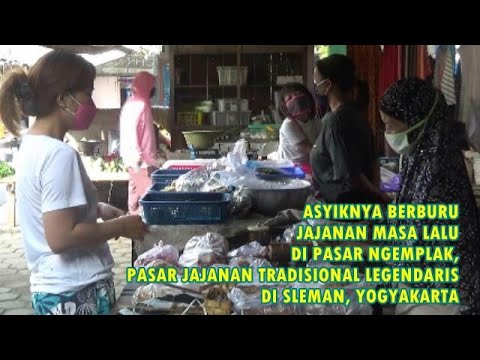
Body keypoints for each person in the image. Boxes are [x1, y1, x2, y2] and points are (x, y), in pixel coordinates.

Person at [0, 50, 148, 315]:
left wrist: (97, 208)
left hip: (55, 290)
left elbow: (50, 210)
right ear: (63, 99)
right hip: (76, 291)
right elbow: (60, 237)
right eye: (88, 94)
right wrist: (121, 225)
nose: (93, 105)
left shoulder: (33, 145)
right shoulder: (59, 155)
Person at [380, 78, 480, 315]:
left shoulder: (437, 169)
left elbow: (413, 242)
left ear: (417, 122)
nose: (387, 133)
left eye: (391, 125)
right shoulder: (419, 155)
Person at [312, 54, 387, 204]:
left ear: (328, 85)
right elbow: (373, 163)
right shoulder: (355, 113)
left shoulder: (337, 121)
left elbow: (352, 176)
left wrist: (382, 199)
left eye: (316, 82)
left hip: (346, 211)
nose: (315, 87)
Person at [119, 71, 165, 215]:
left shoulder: (131, 103)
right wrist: (139, 159)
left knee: (135, 201)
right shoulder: (141, 105)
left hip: (135, 159)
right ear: (147, 87)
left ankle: (135, 232)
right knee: (147, 205)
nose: (154, 90)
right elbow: (134, 133)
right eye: (152, 86)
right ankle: (143, 234)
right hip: (141, 161)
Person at [277, 83, 322, 173]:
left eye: (298, 94)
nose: (296, 99)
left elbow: (322, 141)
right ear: (285, 107)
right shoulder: (288, 124)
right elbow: (305, 147)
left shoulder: (316, 122)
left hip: (309, 166)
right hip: (290, 168)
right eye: (289, 98)